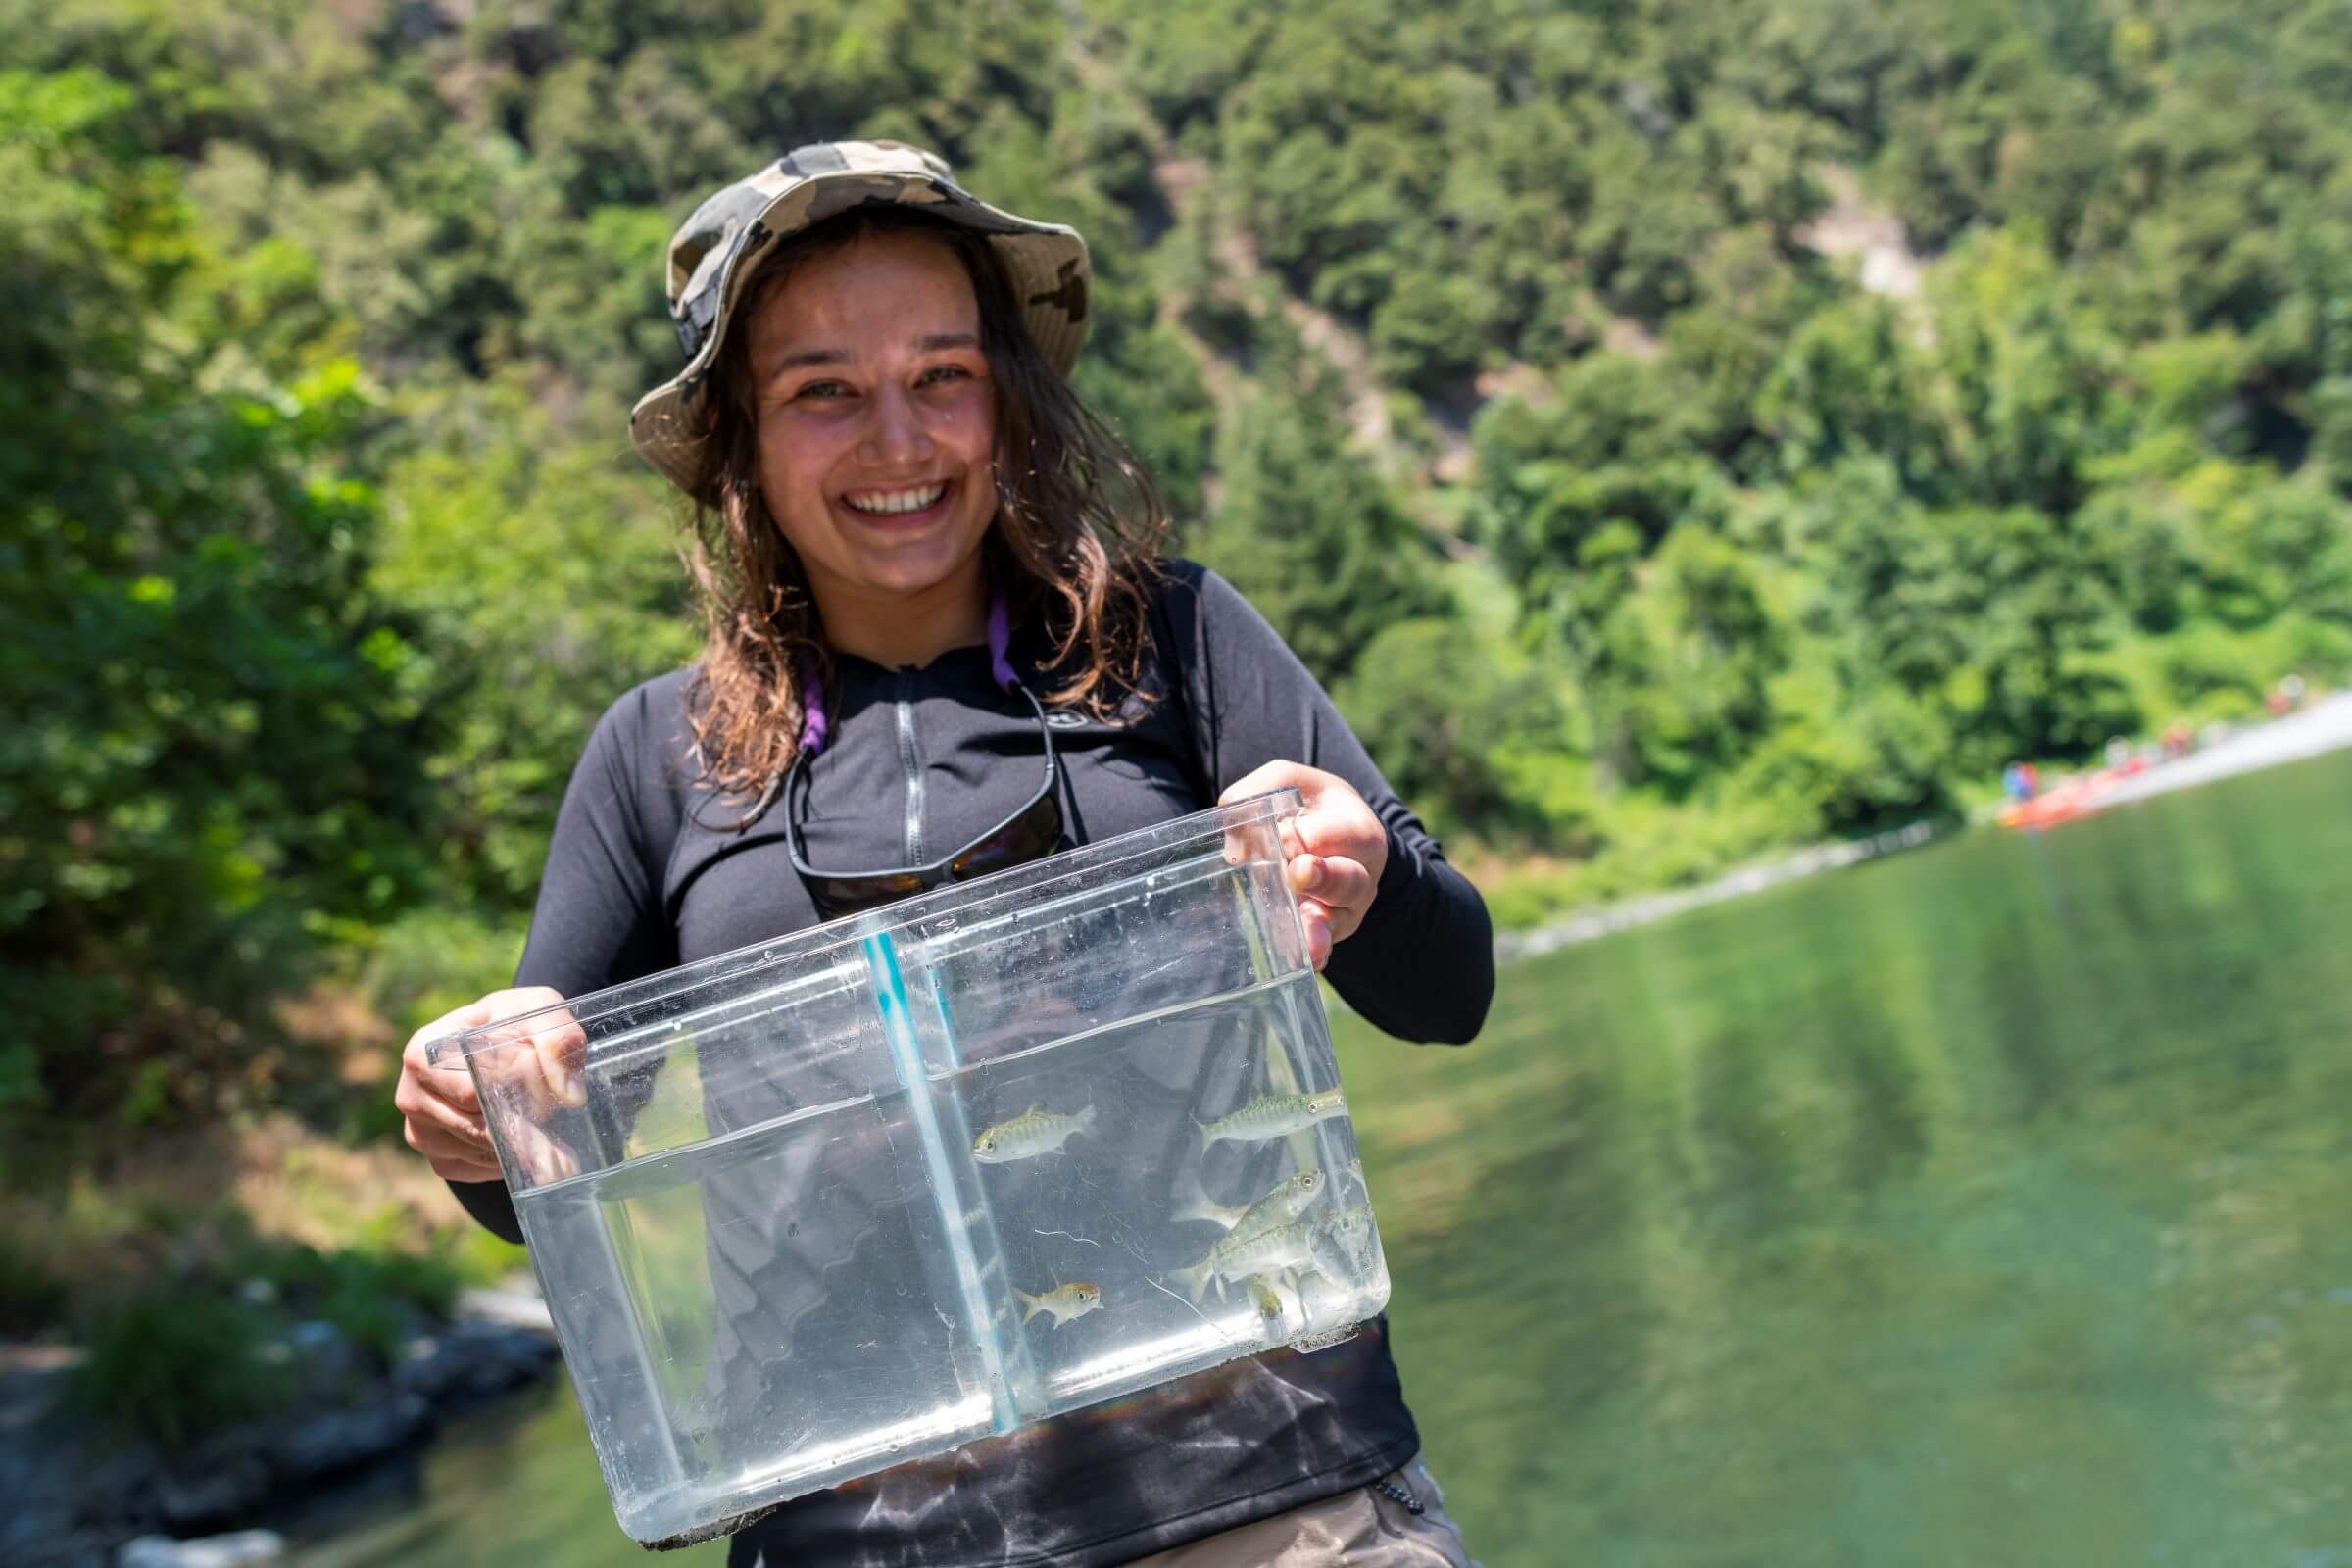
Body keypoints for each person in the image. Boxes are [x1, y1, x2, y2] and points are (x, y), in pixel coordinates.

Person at [391, 141, 1493, 1568]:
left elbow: (1446, 988)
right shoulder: (654, 759)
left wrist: (1371, 881)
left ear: (1009, 399)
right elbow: (532, 1181)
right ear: (740, 438)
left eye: (942, 377)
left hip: (1275, 1498)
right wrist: (471, 1103)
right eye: (824, 393)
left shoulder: (1178, 642)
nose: (898, 443)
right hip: (863, 1537)